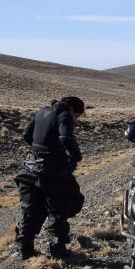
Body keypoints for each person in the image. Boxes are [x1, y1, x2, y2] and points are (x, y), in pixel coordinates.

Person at [14, 96, 86, 259]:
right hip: (52, 174)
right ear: (72, 109)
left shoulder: (42, 112)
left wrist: (39, 150)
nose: (75, 121)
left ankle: (25, 250)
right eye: (77, 116)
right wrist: (75, 156)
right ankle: (57, 250)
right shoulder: (64, 115)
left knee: (31, 210)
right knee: (58, 210)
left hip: (29, 168)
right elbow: (66, 137)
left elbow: (27, 133)